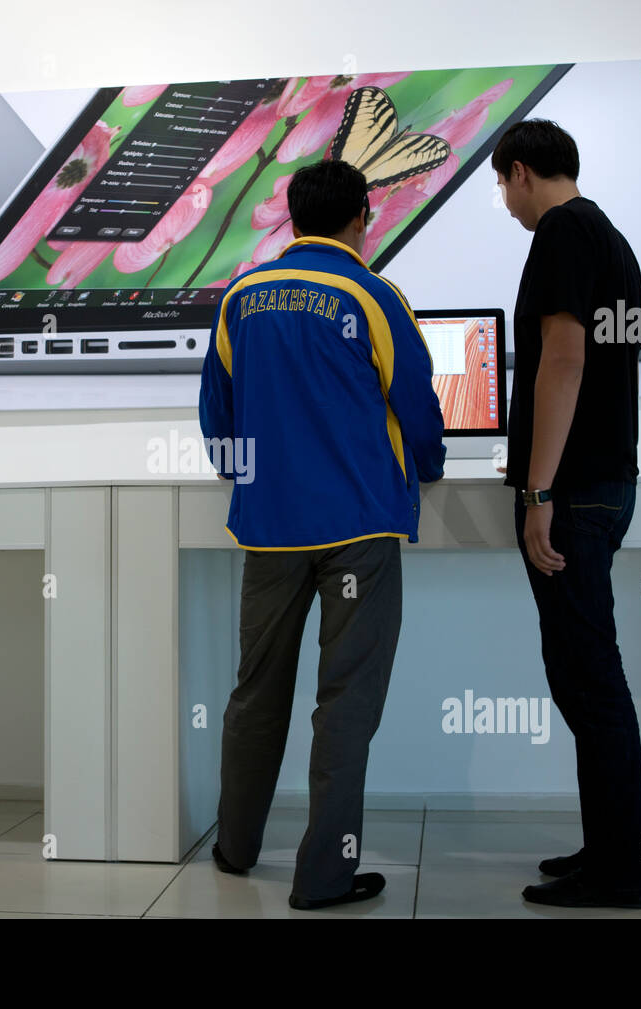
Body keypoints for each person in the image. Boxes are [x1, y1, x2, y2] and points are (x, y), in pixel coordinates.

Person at [198, 159, 445, 910]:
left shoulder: (240, 296)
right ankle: (324, 875)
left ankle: (235, 850)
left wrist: (246, 475)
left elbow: (217, 413)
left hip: (269, 528)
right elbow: (416, 402)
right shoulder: (374, 294)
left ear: (290, 218)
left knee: (255, 694)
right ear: (362, 218)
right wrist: (426, 469)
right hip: (357, 528)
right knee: (345, 703)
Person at [492, 119, 641, 909]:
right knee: (590, 678)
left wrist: (537, 490)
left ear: (520, 172)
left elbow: (563, 358)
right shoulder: (613, 239)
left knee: (590, 682)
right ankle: (611, 847)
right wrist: (531, 456)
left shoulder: (558, 233)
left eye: (500, 185)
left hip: (575, 493)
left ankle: (623, 871)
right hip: (605, 480)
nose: (505, 202)